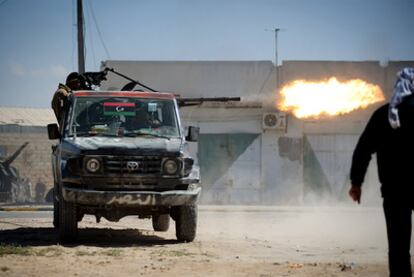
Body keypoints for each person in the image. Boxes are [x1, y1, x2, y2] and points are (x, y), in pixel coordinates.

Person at [349, 67, 414, 277]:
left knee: (398, 248)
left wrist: (356, 183)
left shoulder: (383, 115)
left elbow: (363, 150)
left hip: (394, 192)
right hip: (397, 192)